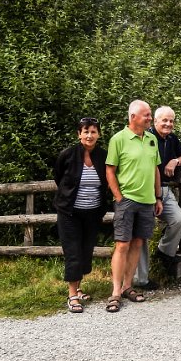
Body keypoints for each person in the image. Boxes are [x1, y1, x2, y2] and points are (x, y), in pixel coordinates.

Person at [105, 100, 163, 313]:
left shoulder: (151, 140)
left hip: (147, 201)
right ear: (133, 117)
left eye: (150, 115)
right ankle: (115, 291)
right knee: (122, 244)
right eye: (146, 115)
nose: (150, 118)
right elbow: (110, 170)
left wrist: (158, 197)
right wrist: (118, 196)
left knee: (138, 243)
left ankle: (129, 285)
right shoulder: (118, 139)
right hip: (127, 199)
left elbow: (156, 169)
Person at [52, 117, 109, 313]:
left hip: (92, 212)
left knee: (85, 251)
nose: (89, 135)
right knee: (73, 252)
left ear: (98, 134)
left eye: (93, 131)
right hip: (69, 212)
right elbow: (58, 176)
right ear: (79, 134)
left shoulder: (103, 156)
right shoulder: (67, 155)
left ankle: (79, 288)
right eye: (85, 131)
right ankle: (72, 296)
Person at [135, 106, 181, 289]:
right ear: (156, 121)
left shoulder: (171, 139)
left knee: (179, 219)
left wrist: (175, 160)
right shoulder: (147, 137)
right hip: (145, 190)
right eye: (164, 120)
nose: (168, 124)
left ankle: (164, 252)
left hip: (164, 190)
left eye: (171, 121)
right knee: (142, 233)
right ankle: (140, 279)